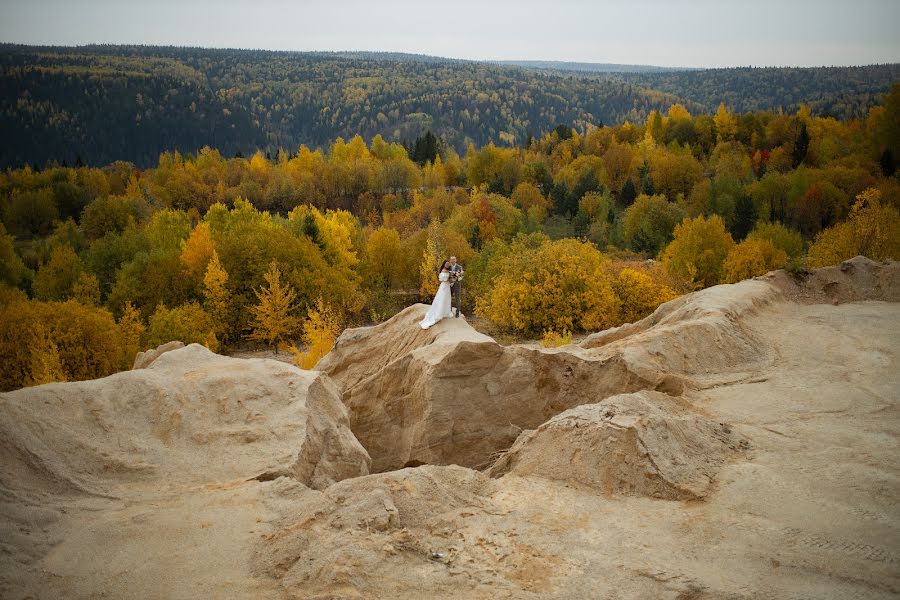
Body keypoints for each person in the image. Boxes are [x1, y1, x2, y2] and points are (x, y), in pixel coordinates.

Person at [419, 259, 453, 329]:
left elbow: (450, 279)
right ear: (444, 264)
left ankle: (445, 312)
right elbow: (441, 279)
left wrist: (452, 279)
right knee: (442, 299)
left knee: (447, 299)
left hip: (447, 286)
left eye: (448, 264)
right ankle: (438, 313)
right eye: (446, 264)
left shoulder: (449, 270)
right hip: (443, 286)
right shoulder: (443, 270)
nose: (447, 265)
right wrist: (448, 279)